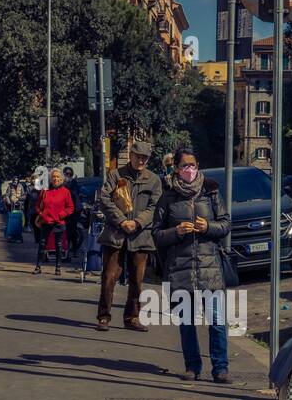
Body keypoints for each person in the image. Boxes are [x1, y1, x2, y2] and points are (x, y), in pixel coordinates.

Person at [153, 147, 232, 382]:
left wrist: (207, 227)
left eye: (193, 165)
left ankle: (221, 368)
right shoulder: (167, 195)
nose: (190, 169)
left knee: (217, 322)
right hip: (180, 268)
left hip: (210, 267)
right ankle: (192, 366)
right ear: (176, 168)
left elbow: (226, 224)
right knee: (187, 323)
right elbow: (156, 234)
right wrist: (176, 232)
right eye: (185, 165)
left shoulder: (211, 190)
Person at [95, 140, 161, 332]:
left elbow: (155, 207)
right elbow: (104, 199)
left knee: (137, 280)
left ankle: (132, 317)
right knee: (109, 276)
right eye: (138, 156)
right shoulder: (116, 175)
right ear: (131, 155)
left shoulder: (154, 180)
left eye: (145, 158)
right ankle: (104, 317)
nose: (141, 161)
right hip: (115, 233)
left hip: (140, 236)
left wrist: (138, 222)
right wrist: (122, 220)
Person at [34, 168, 75, 275]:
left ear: (61, 179)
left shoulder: (66, 192)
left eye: (58, 177)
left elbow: (70, 207)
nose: (55, 179)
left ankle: (58, 268)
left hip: (59, 222)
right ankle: (38, 267)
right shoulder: (45, 191)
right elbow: (37, 206)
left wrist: (61, 215)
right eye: (53, 177)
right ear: (51, 179)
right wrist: (42, 214)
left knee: (59, 245)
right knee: (42, 244)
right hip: (46, 221)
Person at [62, 167, 84, 259]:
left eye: (70, 174)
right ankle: (65, 250)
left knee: (73, 231)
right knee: (65, 231)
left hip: (74, 211)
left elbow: (75, 195)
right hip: (65, 211)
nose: (68, 175)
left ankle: (74, 250)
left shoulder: (73, 184)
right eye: (67, 174)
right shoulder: (62, 184)